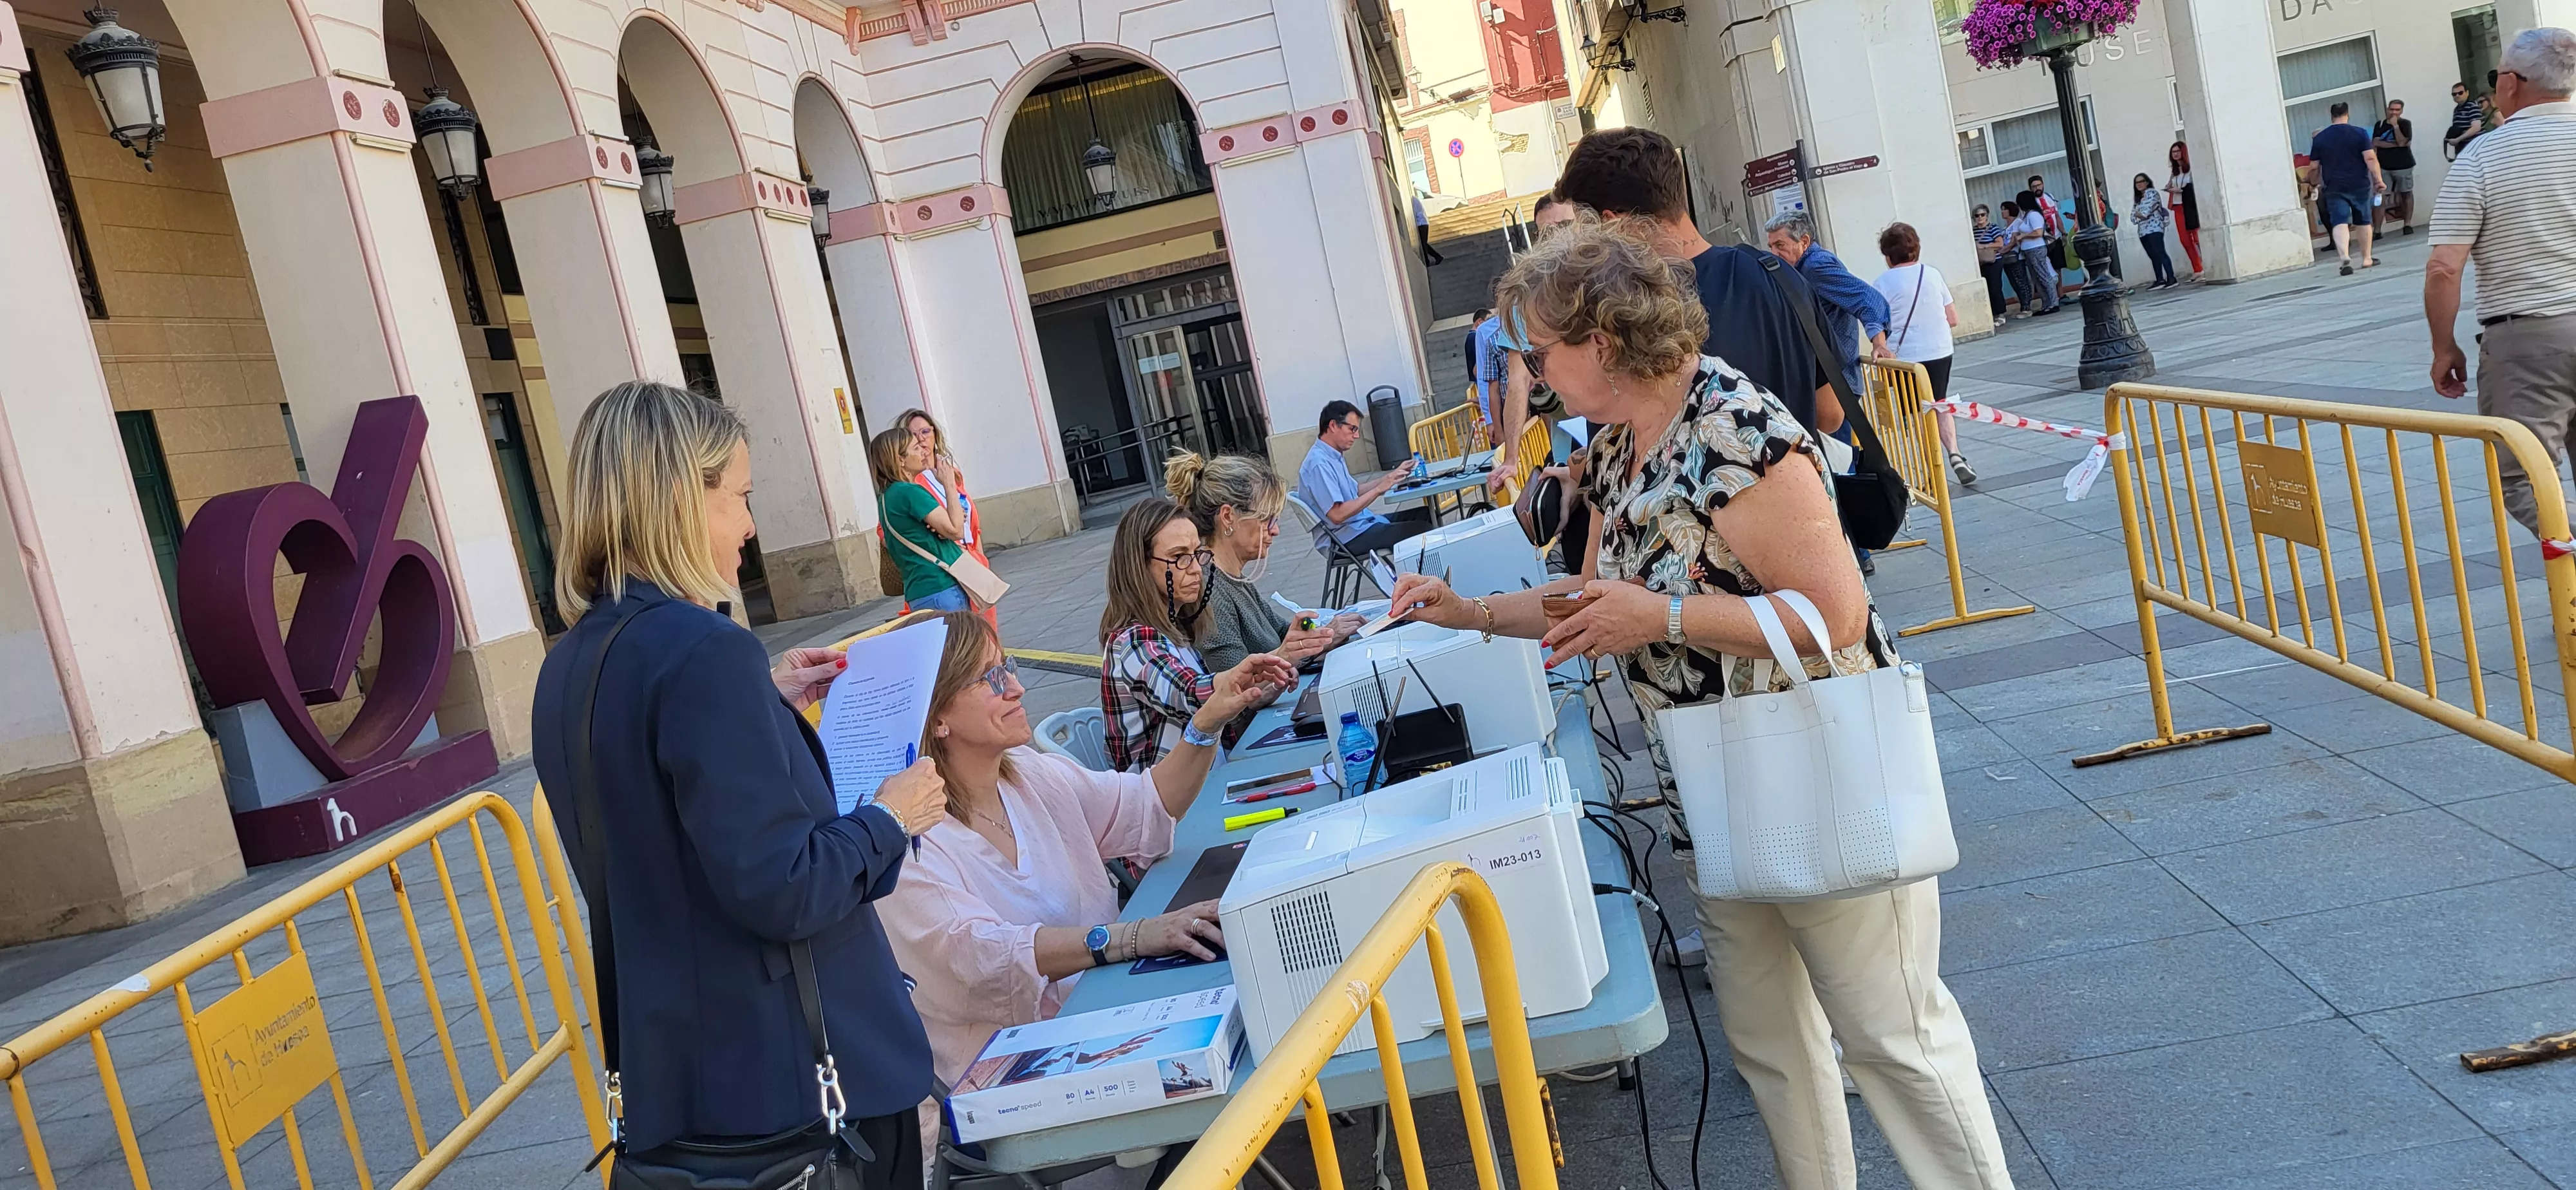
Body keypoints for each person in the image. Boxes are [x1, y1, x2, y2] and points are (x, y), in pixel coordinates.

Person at [1392, 222, 2014, 1190]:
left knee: (1893, 1038)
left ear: (1601, 339)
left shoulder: (1732, 423)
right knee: (1770, 1045)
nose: (1536, 372)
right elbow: (1589, 598)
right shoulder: (1612, 447)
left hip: (1816, 766)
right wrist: (1467, 611)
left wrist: (1666, 615)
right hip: (1711, 787)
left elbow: (1837, 615)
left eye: (1543, 350)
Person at [531, 381, 945, 1185]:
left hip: (682, 1083)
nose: (752, 527)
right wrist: (891, 819)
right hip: (800, 1084)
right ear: (680, 499)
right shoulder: (703, 651)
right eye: (740, 497)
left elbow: (653, 819)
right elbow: (783, 886)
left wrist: (760, 697)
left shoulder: (573, 660)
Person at [877, 611, 1291, 1153]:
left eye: (1010, 667)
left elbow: (1146, 806)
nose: (1018, 687)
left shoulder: (1028, 773)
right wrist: (1129, 938)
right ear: (937, 719)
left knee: (1261, 981)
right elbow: (981, 958)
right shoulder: (906, 843)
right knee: (1254, 1033)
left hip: (1102, 1011)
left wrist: (1207, 721)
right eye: (992, 678)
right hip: (1011, 1071)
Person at [1553, 127, 1836, 433]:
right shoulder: (1779, 275)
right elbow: (1831, 415)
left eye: (1585, 230)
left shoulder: (1623, 315)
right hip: (1803, 477)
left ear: (1614, 223)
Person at [2427, 27, 2576, 537]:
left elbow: (2445, 266)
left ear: (2511, 83)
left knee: (2524, 477)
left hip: (2529, 338)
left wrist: (2444, 347)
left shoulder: (2482, 158)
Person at [1100, 498, 1309, 770]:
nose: (1197, 568)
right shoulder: (1133, 642)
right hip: (1163, 804)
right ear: (1140, 567)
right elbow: (1187, 694)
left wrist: (1258, 690)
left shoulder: (1180, 624)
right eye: (1179, 558)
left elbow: (1215, 718)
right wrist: (1240, 677)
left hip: (1205, 781)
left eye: (1198, 553)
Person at [1165, 450, 1359, 674]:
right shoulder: (1209, 589)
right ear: (1228, 517)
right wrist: (1317, 640)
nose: (1275, 530)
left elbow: (1281, 632)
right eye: (1266, 519)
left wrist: (1323, 635)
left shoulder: (1231, 576)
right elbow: (1234, 684)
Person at [1490, 194, 1583, 495]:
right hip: (1571, 447)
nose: (1559, 237)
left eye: (1566, 225)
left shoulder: (1606, 279)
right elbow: (1518, 380)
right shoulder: (1524, 300)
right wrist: (1512, 458)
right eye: (1548, 233)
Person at [1872, 222, 1971, 487]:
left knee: (1914, 413)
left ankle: (1931, 470)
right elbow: (1952, 318)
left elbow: (1876, 323)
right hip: (1939, 350)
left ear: (1888, 256)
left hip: (1905, 358)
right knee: (1939, 403)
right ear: (1915, 249)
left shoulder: (1881, 283)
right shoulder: (1933, 274)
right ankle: (1955, 454)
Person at [1763, 212, 1891, 404]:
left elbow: (1869, 298)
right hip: (1830, 382)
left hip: (1837, 385)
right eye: (1771, 247)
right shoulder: (1801, 268)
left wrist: (1879, 344)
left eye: (1780, 245)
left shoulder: (1816, 266)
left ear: (1804, 241)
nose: (1775, 253)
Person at [898, 408, 997, 627]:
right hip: (946, 568)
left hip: (973, 565)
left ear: (935, 434)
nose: (921, 440)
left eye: (925, 432)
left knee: (987, 637)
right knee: (965, 641)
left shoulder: (950, 472)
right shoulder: (910, 485)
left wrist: (980, 558)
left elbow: (972, 524)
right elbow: (887, 531)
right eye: (913, 435)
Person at [1298, 400, 1428, 555]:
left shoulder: (1332, 455)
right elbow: (1337, 515)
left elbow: (1355, 491)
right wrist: (1379, 489)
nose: (1357, 436)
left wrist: (1391, 477)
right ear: (1333, 426)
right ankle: (1418, 578)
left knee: (1427, 514)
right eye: (1352, 429)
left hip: (1358, 525)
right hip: (1344, 538)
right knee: (1423, 531)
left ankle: (1419, 574)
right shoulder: (1319, 464)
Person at [872, 425, 972, 613]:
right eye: (916, 448)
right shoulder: (910, 492)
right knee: (960, 642)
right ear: (901, 460)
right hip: (941, 587)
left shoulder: (888, 496)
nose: (923, 451)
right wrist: (949, 483)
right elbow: (956, 530)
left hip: (919, 591)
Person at [2307, 100, 2383, 276]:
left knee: (2339, 222)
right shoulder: (2360, 133)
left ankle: (2345, 258)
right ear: (2348, 114)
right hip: (2360, 184)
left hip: (2334, 185)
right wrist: (2378, 180)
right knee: (2363, 220)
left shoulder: (2321, 138)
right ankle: (2366, 259)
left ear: (2332, 116)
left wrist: (2312, 182)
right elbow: (2370, 159)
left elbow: (2314, 167)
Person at [2011, 191, 2061, 314]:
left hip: (2036, 248)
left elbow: (2038, 233)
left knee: (2044, 276)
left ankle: (2054, 303)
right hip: (2028, 250)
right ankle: (2045, 304)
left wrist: (2022, 236)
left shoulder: (2034, 215)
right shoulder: (2026, 215)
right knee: (2036, 278)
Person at [2373, 99, 2417, 236]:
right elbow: (2375, 143)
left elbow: (2403, 142)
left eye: (2397, 110)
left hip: (2403, 166)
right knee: (2381, 197)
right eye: (2392, 109)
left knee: (2406, 194)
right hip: (2384, 166)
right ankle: (2378, 230)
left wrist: (2396, 127)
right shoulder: (2379, 124)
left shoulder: (2405, 124)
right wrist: (2395, 145)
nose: (2394, 112)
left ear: (2402, 111)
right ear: (2387, 109)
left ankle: (2408, 224)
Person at [2131, 173, 2177, 288]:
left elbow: (2144, 213)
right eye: (2137, 183)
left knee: (2160, 252)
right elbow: (2133, 218)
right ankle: (2160, 279)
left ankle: (2171, 278)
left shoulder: (2152, 194)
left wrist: (2140, 215)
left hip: (2154, 228)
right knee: (2153, 255)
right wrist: (2139, 215)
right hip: (2143, 231)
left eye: (2142, 181)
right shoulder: (2138, 199)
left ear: (2147, 182)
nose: (2139, 184)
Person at [2166, 140, 2204, 279]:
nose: (2176, 154)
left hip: (2189, 206)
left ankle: (2203, 266)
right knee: (2184, 240)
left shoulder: (2191, 169)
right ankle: (2197, 268)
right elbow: (2172, 184)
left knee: (2196, 237)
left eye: (2178, 151)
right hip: (2178, 207)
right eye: (2173, 152)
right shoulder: (2175, 172)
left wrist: (2181, 190)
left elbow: (2194, 187)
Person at [1972, 204, 2011, 325]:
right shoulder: (1973, 230)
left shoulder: (1993, 228)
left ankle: (2001, 314)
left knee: (1995, 287)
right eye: (1977, 215)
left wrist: (1985, 246)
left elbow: (2000, 244)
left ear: (1987, 216)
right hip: (1981, 263)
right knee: (1987, 289)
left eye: (1982, 214)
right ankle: (1992, 314)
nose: (1980, 217)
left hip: (1994, 261)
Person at [2447, 80, 2486, 159]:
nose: (2457, 96)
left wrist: (2458, 140)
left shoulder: (2472, 106)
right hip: (2463, 150)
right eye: (2454, 94)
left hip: (2474, 149)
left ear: (2467, 93)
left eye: (2460, 93)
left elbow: (2476, 128)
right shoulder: (2457, 110)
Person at [1414, 191, 1443, 266]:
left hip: (1421, 223)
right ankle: (1437, 257)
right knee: (1424, 244)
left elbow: (1413, 213)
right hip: (1423, 222)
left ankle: (1428, 261)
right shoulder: (1414, 199)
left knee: (1424, 244)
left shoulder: (1412, 201)